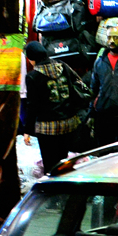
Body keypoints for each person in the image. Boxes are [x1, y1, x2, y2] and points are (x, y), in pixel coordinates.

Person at [23, 42, 90, 173]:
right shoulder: (62, 66)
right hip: (69, 124)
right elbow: (78, 86)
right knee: (63, 161)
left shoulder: (33, 76)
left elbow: (32, 106)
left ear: (32, 58)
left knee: (50, 164)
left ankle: (53, 184)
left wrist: (27, 130)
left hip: (47, 128)